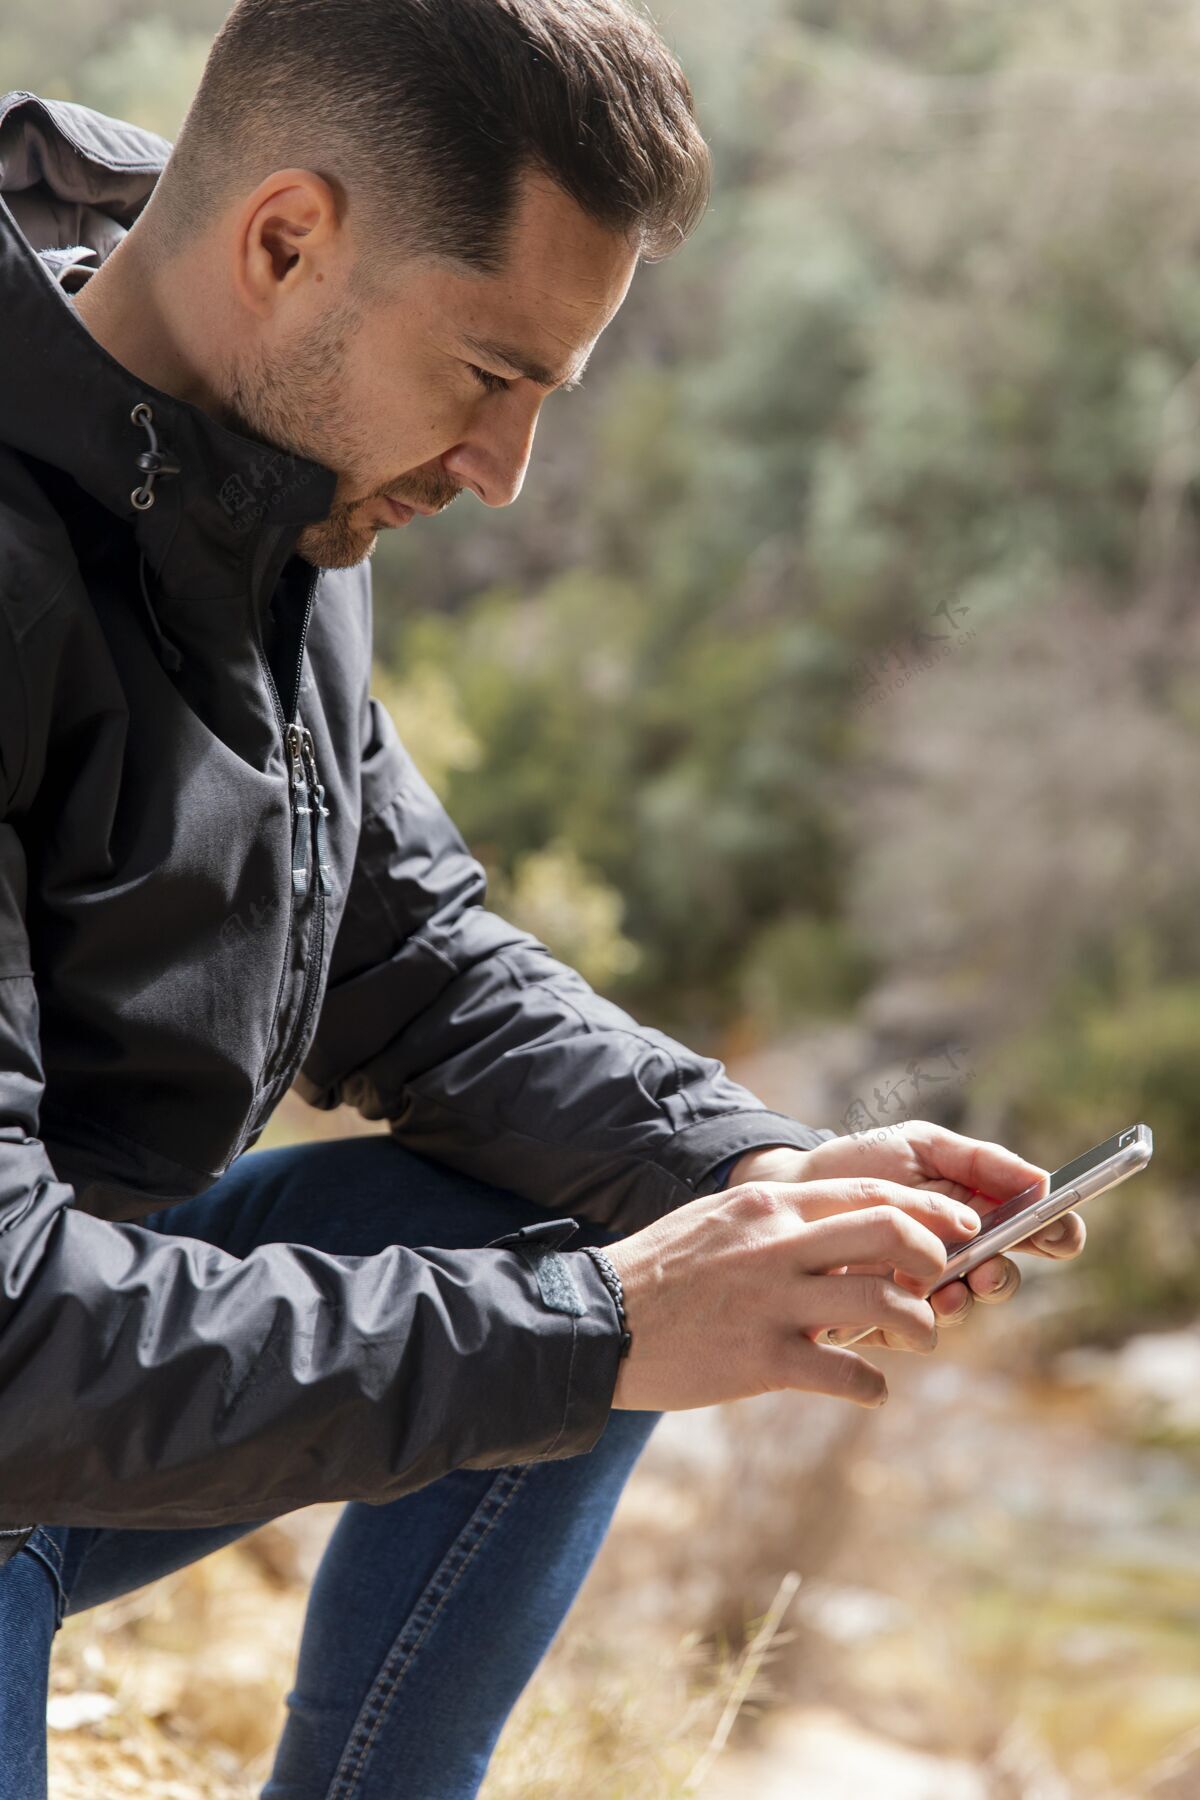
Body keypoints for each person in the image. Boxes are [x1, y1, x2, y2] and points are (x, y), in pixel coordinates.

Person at [0, 3, 1086, 1794]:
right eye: (491, 379)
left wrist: (747, 1176)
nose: (502, 478)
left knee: (591, 1257)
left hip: (72, 1420)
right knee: (585, 1323)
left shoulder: (255, 474)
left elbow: (405, 952)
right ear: (286, 240)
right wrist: (607, 1329)